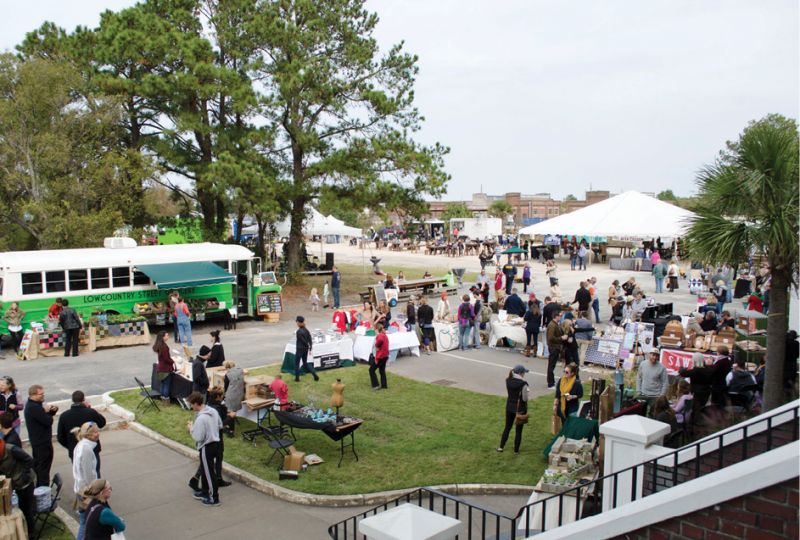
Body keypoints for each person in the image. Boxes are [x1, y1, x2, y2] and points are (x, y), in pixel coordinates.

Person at [187, 391, 222, 506]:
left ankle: (214, 498)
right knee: (207, 471)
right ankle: (204, 491)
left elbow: (198, 437)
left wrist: (191, 428)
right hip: (216, 443)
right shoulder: (213, 411)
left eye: (191, 404)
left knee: (209, 473)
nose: (191, 407)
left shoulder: (201, 419)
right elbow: (220, 425)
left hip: (206, 447)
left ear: (196, 404)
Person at [56, 390, 106, 466]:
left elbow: (60, 437)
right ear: (83, 399)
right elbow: (102, 423)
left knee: (79, 474)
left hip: (74, 450)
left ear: (72, 400)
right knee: (95, 473)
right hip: (91, 449)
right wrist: (90, 409)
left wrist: (70, 446)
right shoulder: (90, 412)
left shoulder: (64, 416)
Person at [24, 384, 58, 487]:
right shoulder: (33, 407)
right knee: (43, 469)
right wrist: (48, 413)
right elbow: (47, 421)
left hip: (40, 441)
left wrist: (51, 411)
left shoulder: (36, 405)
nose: (43, 396)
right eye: (41, 394)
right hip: (41, 443)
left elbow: (43, 418)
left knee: (42, 467)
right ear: (33, 395)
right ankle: (43, 490)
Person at [0, 438, 36, 534]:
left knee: (27, 510)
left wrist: (23, 475)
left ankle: (31, 534)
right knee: (19, 509)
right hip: (15, 485)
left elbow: (29, 460)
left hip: (26, 483)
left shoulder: (11, 449)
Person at [72, 422, 100, 540]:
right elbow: (89, 475)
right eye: (95, 432)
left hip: (81, 489)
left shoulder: (81, 445)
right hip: (86, 492)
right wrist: (96, 493)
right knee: (86, 523)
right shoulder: (86, 450)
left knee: (86, 521)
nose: (98, 434)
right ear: (88, 435)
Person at [497, 365, 529, 454]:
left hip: (509, 407)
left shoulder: (508, 380)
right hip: (520, 408)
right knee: (518, 431)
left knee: (507, 427)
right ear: (521, 373)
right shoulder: (523, 384)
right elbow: (525, 399)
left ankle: (501, 447)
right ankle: (516, 451)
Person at [294, 316, 319, 382]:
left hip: (299, 349)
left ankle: (297, 378)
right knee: (305, 363)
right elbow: (310, 338)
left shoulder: (298, 332)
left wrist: (307, 345)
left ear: (299, 322)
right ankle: (314, 374)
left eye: (297, 322)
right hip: (305, 349)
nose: (296, 323)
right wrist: (310, 346)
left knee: (297, 364)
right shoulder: (306, 330)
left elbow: (303, 341)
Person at [546, 308, 566, 389]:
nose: (561, 317)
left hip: (555, 347)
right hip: (553, 347)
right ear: (556, 316)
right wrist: (561, 338)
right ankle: (550, 383)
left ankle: (551, 382)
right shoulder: (552, 325)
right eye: (560, 316)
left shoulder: (555, 324)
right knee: (551, 366)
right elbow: (551, 338)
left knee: (552, 365)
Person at [153, 331, 176, 405]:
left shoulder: (159, 345)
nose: (168, 336)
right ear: (163, 337)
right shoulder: (164, 347)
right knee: (166, 385)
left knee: (163, 384)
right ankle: (166, 401)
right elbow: (166, 359)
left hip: (160, 367)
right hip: (166, 368)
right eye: (167, 335)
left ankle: (163, 399)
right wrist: (173, 361)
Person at [223, 361, 244, 436]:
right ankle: (229, 428)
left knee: (230, 413)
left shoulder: (227, 375)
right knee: (233, 411)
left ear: (227, 367)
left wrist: (223, 395)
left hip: (231, 395)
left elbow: (225, 387)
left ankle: (230, 430)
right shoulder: (241, 370)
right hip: (239, 394)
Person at [370, 323, 389, 390]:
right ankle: (384, 385)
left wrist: (377, 345)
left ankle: (376, 385)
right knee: (382, 371)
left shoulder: (380, 335)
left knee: (371, 370)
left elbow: (379, 342)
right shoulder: (385, 335)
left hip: (381, 357)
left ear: (377, 329)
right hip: (385, 356)